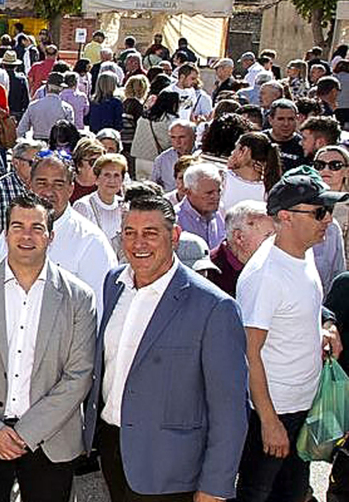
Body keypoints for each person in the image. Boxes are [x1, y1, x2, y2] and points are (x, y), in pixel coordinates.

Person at [82, 195, 248, 502]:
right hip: (113, 452)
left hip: (173, 472)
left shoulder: (214, 307)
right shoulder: (113, 281)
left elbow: (230, 408)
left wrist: (215, 485)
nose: (138, 243)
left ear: (174, 236)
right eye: (129, 232)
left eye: (150, 233)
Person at [0, 191, 96, 502]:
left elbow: (79, 375)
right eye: (18, 226)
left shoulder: (79, 298)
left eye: (37, 228)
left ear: (51, 236)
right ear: (5, 233)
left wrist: (25, 434)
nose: (26, 236)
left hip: (51, 441)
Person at [235, 169, 347, 502]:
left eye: (328, 210)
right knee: (258, 493)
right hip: (273, 414)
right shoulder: (266, 275)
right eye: (318, 212)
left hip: (302, 407)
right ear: (285, 217)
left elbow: (304, 306)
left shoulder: (303, 251)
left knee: (294, 492)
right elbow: (249, 352)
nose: (328, 219)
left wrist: (326, 324)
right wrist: (269, 421)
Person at [0, 153, 118, 315]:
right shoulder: (11, 234)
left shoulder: (91, 240)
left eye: (58, 184)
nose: (49, 192)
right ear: (29, 185)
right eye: (42, 183)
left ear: (71, 189)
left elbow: (98, 308)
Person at [0, 139, 43, 265]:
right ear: (16, 162)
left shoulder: (44, 189)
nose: (37, 168)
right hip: (4, 260)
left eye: (39, 163)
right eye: (33, 163)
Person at [207, 200, 276, 296]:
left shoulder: (272, 264)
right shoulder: (209, 273)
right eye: (268, 236)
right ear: (239, 237)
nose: (274, 242)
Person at [72, 153, 128, 243]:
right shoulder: (83, 206)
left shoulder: (125, 206)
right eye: (107, 175)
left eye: (116, 175)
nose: (112, 180)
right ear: (97, 179)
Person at [221, 132, 283, 213]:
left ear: (244, 150)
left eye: (235, 148)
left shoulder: (222, 178)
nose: (232, 153)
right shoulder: (272, 187)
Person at [131, 91, 180, 179]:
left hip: (139, 157)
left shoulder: (144, 117)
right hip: (156, 158)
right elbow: (169, 143)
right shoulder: (171, 120)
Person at [176, 163, 226, 249]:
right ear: (188, 192)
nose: (216, 197)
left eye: (218, 191)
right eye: (209, 193)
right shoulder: (175, 220)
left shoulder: (220, 213)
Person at [17, 73, 75, 142]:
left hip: (38, 143)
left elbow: (21, 129)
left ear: (47, 87)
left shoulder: (33, 105)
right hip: (58, 143)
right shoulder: (67, 108)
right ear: (61, 89)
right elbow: (71, 131)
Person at [150, 119, 197, 192]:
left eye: (182, 137)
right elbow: (153, 185)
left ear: (194, 137)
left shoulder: (203, 157)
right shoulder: (162, 159)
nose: (177, 142)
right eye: (173, 137)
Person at [265, 99, 305, 171]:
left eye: (291, 119)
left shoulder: (303, 145)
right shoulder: (260, 141)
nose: (286, 124)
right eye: (281, 119)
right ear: (270, 120)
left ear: (297, 119)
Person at [69, 138, 104, 203]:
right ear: (79, 164)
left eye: (100, 161)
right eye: (93, 161)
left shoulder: (108, 185)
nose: (98, 166)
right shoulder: (66, 186)